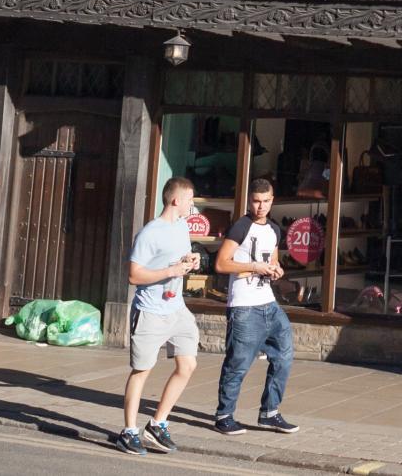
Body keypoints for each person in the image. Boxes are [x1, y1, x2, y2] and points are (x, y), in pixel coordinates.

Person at [116, 176, 205, 456]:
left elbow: (179, 258)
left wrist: (191, 260)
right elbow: (133, 275)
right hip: (150, 311)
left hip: (176, 308)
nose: (192, 205)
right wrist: (170, 272)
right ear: (176, 200)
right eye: (190, 199)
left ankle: (157, 424)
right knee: (142, 371)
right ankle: (128, 432)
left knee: (187, 365)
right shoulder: (149, 233)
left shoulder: (181, 226)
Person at [211, 178, 300, 436]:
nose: (260, 206)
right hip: (244, 306)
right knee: (238, 362)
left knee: (284, 354)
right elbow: (221, 264)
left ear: (273, 201)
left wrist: (276, 270)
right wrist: (254, 267)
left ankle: (269, 413)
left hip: (268, 304)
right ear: (249, 201)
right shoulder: (241, 226)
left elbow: (272, 260)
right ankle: (224, 415)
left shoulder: (274, 230)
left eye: (265, 201)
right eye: (256, 201)